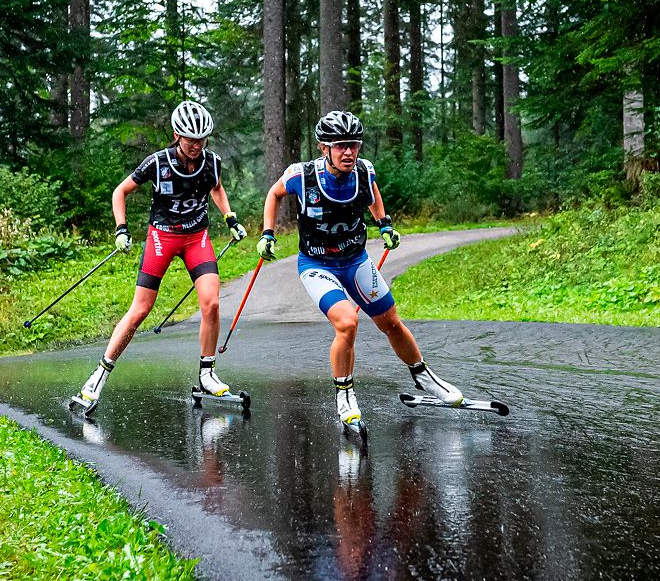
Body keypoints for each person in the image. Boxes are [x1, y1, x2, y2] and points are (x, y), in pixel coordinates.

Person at [257, 110, 463, 429]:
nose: (349, 152)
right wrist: (267, 232)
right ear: (324, 148)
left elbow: (373, 194)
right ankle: (345, 394)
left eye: (354, 144)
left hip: (355, 261)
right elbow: (274, 194)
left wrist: (384, 224)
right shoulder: (302, 175)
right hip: (316, 264)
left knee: (391, 322)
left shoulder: (364, 171)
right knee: (347, 322)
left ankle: (424, 377)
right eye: (340, 145)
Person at [73, 100, 247, 414]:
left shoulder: (212, 162)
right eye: (190, 139)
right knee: (141, 309)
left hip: (197, 238)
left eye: (202, 139)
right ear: (177, 135)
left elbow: (216, 188)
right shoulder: (157, 162)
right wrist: (121, 228)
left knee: (212, 302)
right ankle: (98, 376)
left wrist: (230, 218)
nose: (196, 145)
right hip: (161, 238)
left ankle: (207, 373)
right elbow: (120, 192)